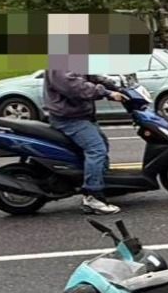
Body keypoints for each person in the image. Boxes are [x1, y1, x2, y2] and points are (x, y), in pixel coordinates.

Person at [43, 61, 126, 215]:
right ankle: (93, 196)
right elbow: (74, 87)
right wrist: (106, 93)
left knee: (102, 145)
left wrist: (113, 85)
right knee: (96, 150)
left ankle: (101, 183)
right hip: (69, 119)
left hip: (80, 116)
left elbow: (90, 76)